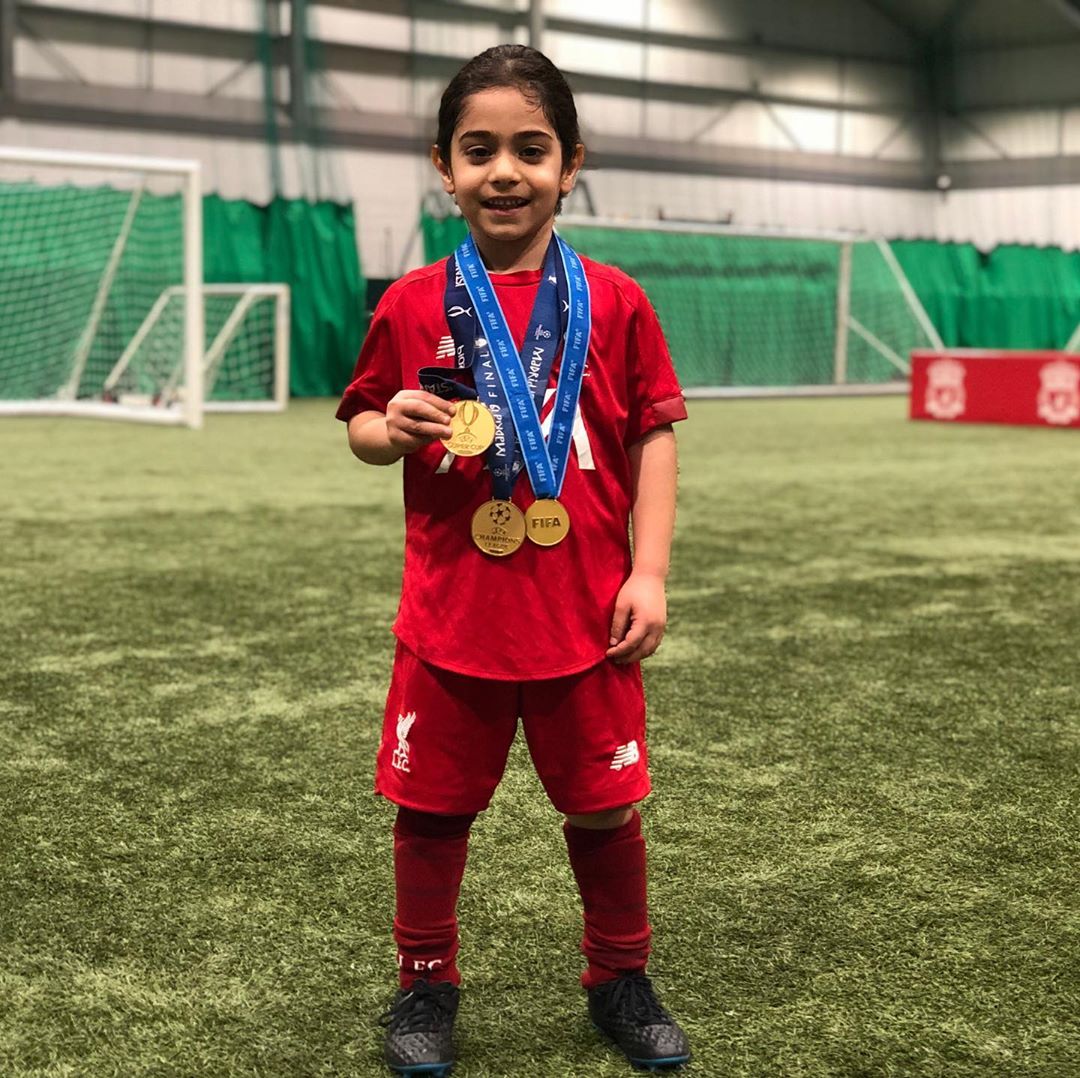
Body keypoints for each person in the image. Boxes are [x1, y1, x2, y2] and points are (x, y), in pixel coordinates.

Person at [337, 43, 690, 1076]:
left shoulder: (616, 300)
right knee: (432, 809)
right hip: (452, 621)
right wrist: (389, 430)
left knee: (605, 805)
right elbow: (361, 423)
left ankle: (619, 975)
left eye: (530, 150)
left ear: (570, 165)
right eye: (478, 149)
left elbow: (652, 434)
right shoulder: (412, 301)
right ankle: (425, 983)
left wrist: (649, 570)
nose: (505, 171)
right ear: (443, 168)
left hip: (586, 619)